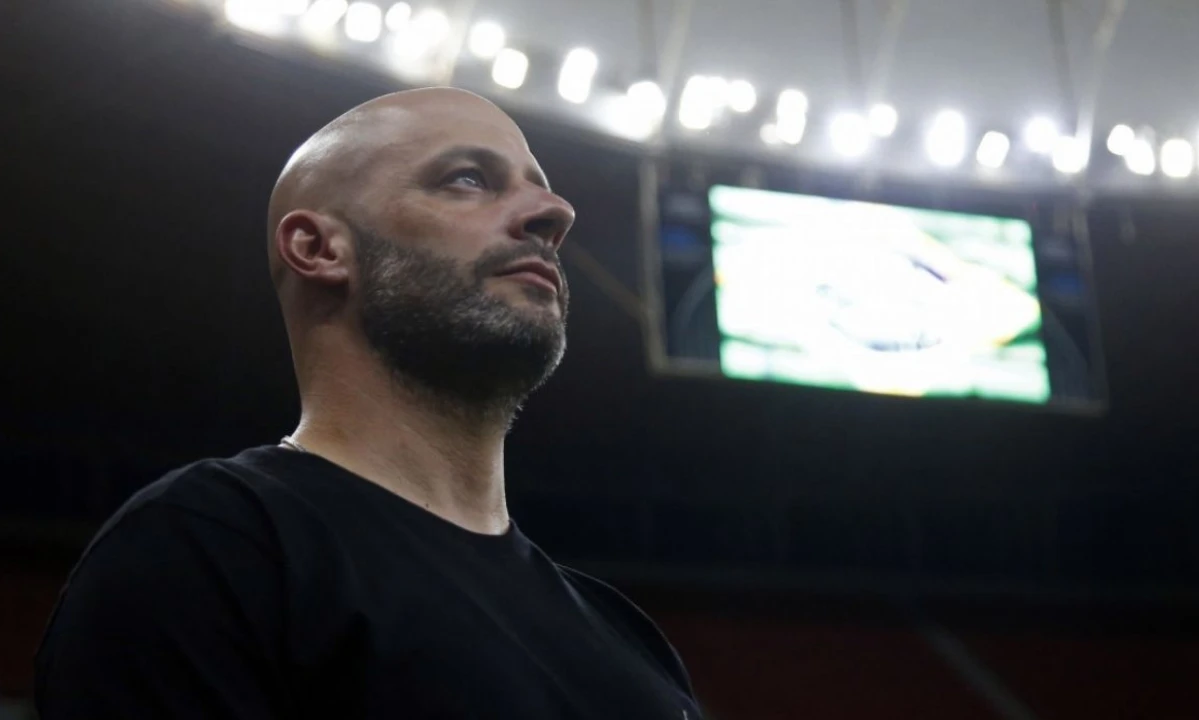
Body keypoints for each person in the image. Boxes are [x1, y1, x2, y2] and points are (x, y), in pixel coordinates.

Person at [35, 87, 703, 719]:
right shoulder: (205, 548)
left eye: (538, 183)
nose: (554, 212)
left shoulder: (625, 634)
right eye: (468, 178)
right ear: (320, 249)